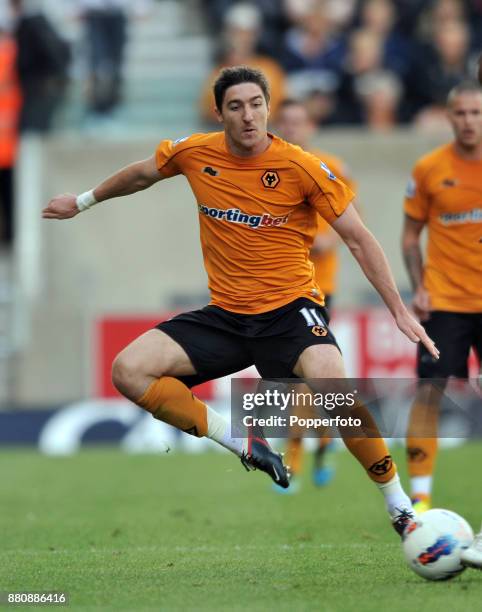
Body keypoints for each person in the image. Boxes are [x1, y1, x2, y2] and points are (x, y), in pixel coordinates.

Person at [43, 66, 438, 535]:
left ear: (268, 108)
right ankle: (244, 445)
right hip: (227, 316)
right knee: (128, 370)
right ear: (220, 113)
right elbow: (141, 175)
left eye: (256, 105)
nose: (248, 116)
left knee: (336, 390)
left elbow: (358, 239)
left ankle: (401, 508)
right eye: (236, 106)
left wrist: (398, 309)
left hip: (291, 310)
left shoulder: (303, 166)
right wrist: (84, 201)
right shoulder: (194, 153)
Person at [401, 81, 482, 519]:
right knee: (428, 394)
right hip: (445, 303)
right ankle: (420, 498)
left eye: (476, 112)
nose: (469, 121)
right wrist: (418, 285)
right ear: (449, 117)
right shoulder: (430, 169)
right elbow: (411, 236)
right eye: (461, 113)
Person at [273, 98, 357, 491]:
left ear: (310, 127)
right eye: (285, 122)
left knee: (308, 376)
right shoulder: (265, 168)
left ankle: (305, 449)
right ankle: (318, 440)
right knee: (292, 378)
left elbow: (353, 222)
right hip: (275, 290)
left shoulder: (331, 167)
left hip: (318, 291)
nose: (292, 129)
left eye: (298, 122)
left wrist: (325, 238)